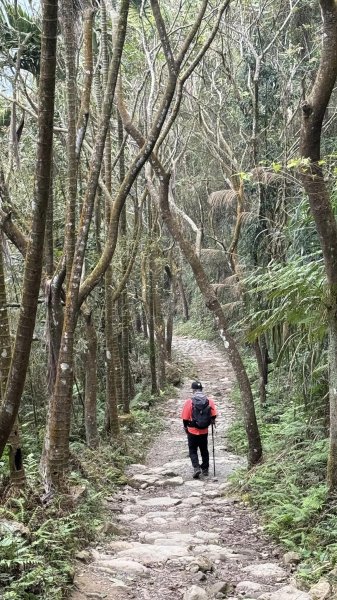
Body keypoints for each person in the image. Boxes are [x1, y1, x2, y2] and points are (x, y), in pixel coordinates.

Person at [181, 381, 217, 479]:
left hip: (192, 430)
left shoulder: (189, 402)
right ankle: (205, 468)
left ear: (193, 390)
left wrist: (185, 427)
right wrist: (210, 421)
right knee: (204, 449)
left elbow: (185, 418)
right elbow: (214, 415)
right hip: (204, 430)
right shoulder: (209, 401)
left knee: (192, 450)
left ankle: (196, 468)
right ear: (202, 389)